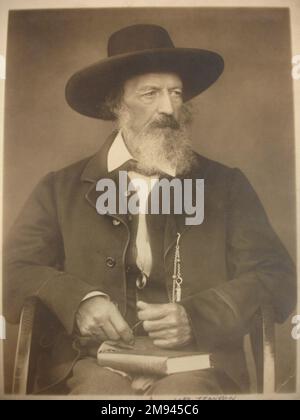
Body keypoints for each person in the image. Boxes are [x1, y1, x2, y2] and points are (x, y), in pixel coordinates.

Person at [4, 24, 296, 395]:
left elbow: (276, 276)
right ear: (116, 102)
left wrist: (198, 316)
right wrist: (78, 300)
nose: (169, 107)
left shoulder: (227, 186)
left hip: (197, 364)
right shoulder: (59, 189)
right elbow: (12, 271)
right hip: (92, 364)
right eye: (150, 93)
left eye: (175, 93)